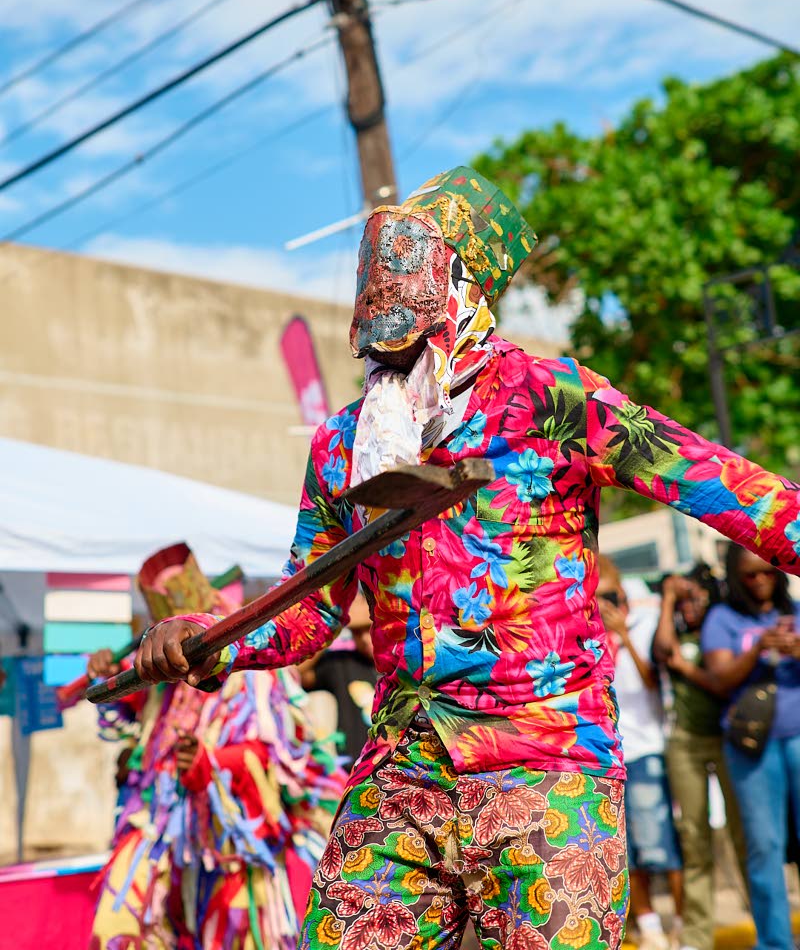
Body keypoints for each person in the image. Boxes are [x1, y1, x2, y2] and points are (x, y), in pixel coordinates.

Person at [134, 167, 800, 950]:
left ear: (463, 289)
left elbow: (729, 488)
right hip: (403, 771)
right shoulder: (343, 443)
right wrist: (208, 640)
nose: (393, 352)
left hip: (551, 768)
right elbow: (309, 611)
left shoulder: (556, 400)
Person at [88, 543, 346, 950]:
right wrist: (108, 679)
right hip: (158, 830)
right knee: (118, 930)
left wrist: (210, 763)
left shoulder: (252, 671)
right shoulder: (164, 687)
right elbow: (129, 729)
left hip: (234, 844)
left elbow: (280, 762)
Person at [702, 541, 800, 950]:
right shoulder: (722, 618)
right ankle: (775, 943)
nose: (760, 580)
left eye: (767, 571)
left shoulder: (794, 612)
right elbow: (719, 678)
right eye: (750, 574)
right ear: (735, 578)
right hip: (751, 749)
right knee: (765, 847)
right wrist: (759, 649)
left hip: (797, 736)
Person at [652, 564, 748, 950]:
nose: (690, 606)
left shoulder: (721, 629)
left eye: (695, 597)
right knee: (694, 839)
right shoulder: (672, 630)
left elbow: (723, 684)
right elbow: (662, 652)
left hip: (727, 740)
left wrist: (685, 669)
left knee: (746, 836)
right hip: (685, 742)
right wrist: (668, 599)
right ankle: (696, 936)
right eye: (683, 599)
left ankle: (766, 920)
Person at [597, 556, 682, 950]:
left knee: (659, 844)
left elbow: (652, 684)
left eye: (610, 596)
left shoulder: (643, 626)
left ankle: (679, 924)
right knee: (627, 850)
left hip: (645, 751)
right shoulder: (588, 637)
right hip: (609, 756)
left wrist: (624, 637)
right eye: (596, 598)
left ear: (624, 594)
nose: (605, 605)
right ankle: (648, 927)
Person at [299, 592, 378, 765]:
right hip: (354, 771)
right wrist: (337, 624)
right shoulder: (341, 663)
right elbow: (295, 674)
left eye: (369, 628)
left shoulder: (404, 665)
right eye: (357, 632)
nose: (365, 639)